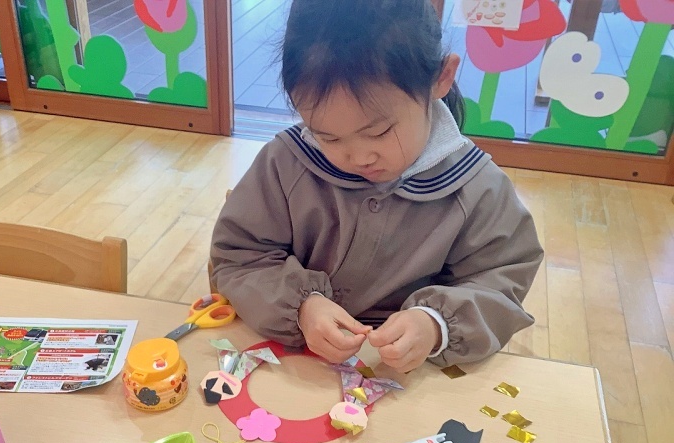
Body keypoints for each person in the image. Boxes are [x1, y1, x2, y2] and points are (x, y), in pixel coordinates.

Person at [210, 0, 543, 372]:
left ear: (441, 78)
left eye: (379, 132)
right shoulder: (285, 164)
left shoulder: (477, 188)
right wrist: (301, 307)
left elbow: (501, 282)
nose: (358, 157)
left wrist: (436, 324)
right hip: (297, 363)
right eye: (328, 137)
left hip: (412, 375)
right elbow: (239, 258)